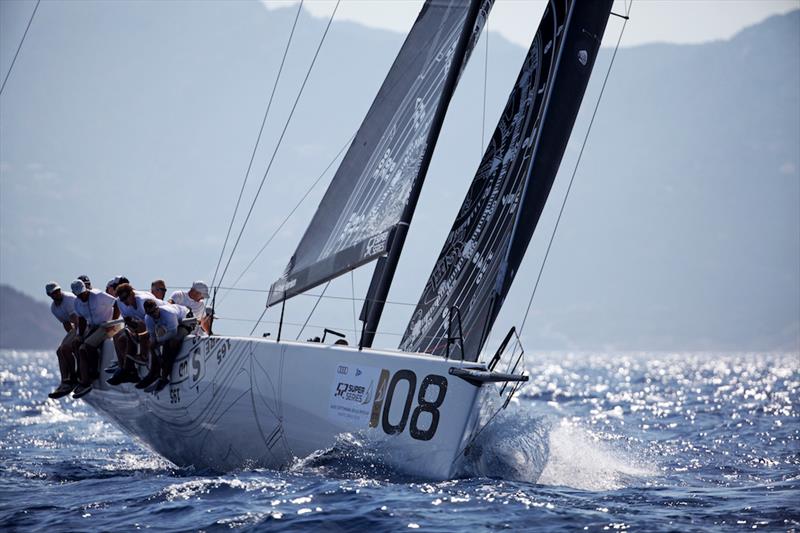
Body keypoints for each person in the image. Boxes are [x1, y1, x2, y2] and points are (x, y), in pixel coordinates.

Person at [71, 279, 121, 399]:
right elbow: (82, 320)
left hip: (108, 326)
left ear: (86, 289)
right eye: (79, 295)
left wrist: (113, 323)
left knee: (88, 345)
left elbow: (116, 303)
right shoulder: (77, 303)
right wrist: (80, 335)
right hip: (94, 327)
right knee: (80, 346)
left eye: (83, 293)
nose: (82, 296)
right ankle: (84, 379)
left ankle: (94, 372)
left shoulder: (98, 295)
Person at [108, 283, 163, 386]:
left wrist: (138, 332)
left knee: (141, 326)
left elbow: (152, 320)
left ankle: (144, 355)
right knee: (119, 337)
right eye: (121, 299)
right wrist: (132, 330)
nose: (124, 302)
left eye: (126, 298)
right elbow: (127, 320)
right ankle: (127, 369)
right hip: (142, 326)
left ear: (132, 293)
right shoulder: (120, 302)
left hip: (160, 321)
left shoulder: (143, 301)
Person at [138, 300, 191, 393]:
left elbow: (173, 333)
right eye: (150, 313)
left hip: (186, 320)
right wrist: (156, 351)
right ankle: (154, 373)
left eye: (154, 312)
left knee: (171, 343)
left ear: (157, 308)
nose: (153, 315)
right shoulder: (148, 318)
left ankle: (164, 377)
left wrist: (158, 342)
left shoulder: (168, 314)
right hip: (171, 325)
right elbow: (152, 336)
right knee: (151, 346)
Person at [45, 282, 79, 398]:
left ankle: (73, 377)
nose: (57, 293)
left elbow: (77, 320)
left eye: (58, 290)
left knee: (65, 348)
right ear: (49, 295)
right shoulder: (54, 308)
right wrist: (71, 336)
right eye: (54, 292)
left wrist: (77, 338)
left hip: (84, 325)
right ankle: (65, 381)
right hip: (76, 328)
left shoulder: (69, 299)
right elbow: (66, 323)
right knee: (60, 351)